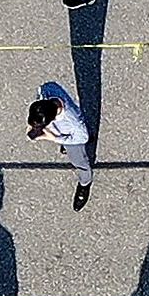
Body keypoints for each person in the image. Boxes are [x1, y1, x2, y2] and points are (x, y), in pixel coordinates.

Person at [27, 82, 93, 211]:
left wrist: (52, 138)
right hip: (59, 129)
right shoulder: (47, 90)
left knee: (79, 161)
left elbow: (82, 138)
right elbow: (41, 90)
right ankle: (64, 143)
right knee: (64, 142)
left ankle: (85, 183)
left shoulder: (74, 123)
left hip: (73, 138)